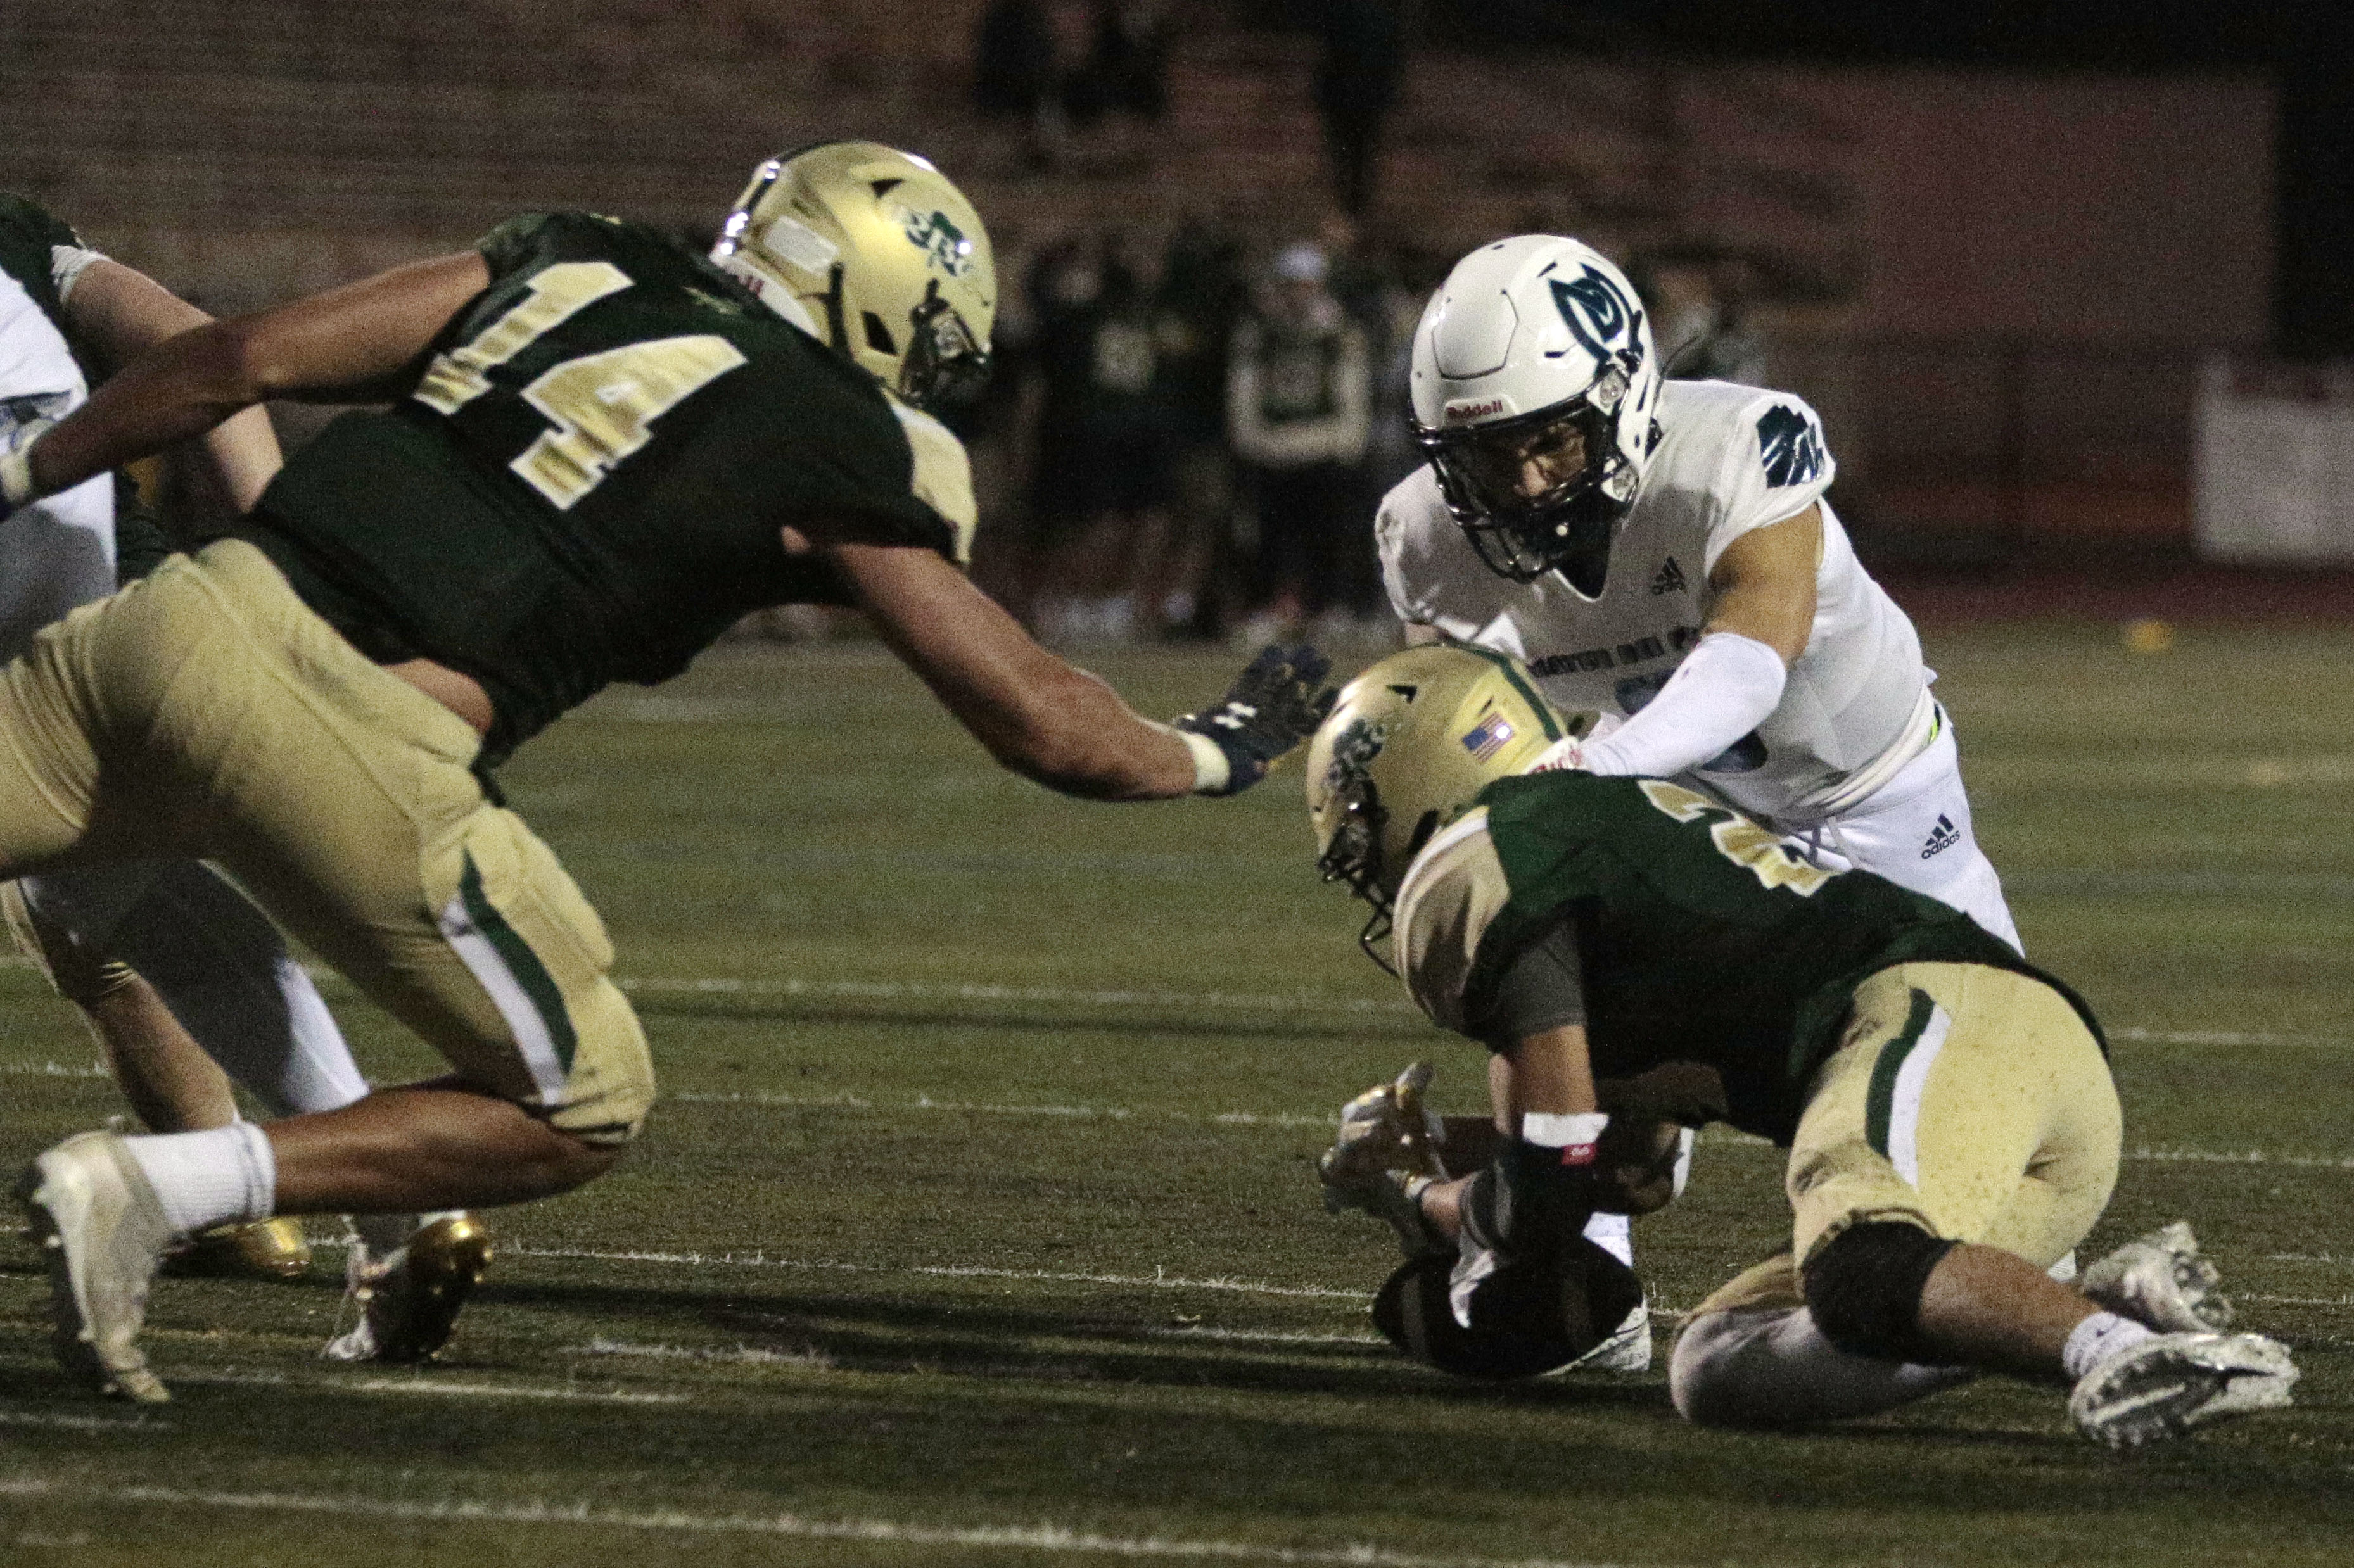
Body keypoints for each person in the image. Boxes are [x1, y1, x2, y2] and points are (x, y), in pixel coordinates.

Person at [1, 141, 1333, 1404]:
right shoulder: (840, 431)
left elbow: (233, 358)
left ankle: (374, 1217)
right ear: (877, 299)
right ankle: (156, 1187)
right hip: (357, 737)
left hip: (166, 631)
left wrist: (24, 468)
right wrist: (1215, 750)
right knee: (583, 1094)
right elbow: (1040, 720)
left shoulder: (580, 255)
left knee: (99, 892)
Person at [1304, 645, 2298, 1447]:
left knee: (1857, 1263)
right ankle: (2092, 1302)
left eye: (1360, 829)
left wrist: (1433, 1205)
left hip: (1934, 1014)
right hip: (1999, 1074)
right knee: (1723, 1364)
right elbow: (1625, 1171)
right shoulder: (1582, 862)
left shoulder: (1476, 862)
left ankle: (2122, 1351)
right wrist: (1429, 1159)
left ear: (1417, 779)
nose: (1369, 872)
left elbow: (1556, 1163)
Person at [1378, 236, 2021, 1332]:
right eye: (1491, 460)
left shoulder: (1736, 444)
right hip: (1694, 826)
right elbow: (1463, 726)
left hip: (1875, 816)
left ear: (1623, 394)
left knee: (1979, 1176)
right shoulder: (1425, 536)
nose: (1527, 483)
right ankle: (1581, 1267)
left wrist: (1591, 765)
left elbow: (1749, 655)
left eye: (1553, 441)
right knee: (1529, 933)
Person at [0, 193, 491, 1350]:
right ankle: (397, 1205)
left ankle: (385, 1196)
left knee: (90, 888)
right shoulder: (13, 235)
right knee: (94, 894)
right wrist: (280, 550)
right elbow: (197, 345)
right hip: (80, 554)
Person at [1228, 243, 1371, 641]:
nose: (1298, 293)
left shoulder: (1339, 332)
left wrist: (1348, 442)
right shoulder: (1261, 331)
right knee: (1270, 540)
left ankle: (1325, 609)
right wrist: (1251, 440)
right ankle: (1268, 609)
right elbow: (1243, 390)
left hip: (1321, 448)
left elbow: (1352, 389)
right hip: (1273, 450)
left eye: (1305, 285)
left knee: (1324, 537)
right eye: (1292, 285)